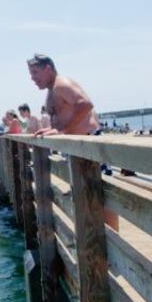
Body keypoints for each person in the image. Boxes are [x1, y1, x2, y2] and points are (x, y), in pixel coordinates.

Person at [27, 53, 118, 229]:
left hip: (89, 143)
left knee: (103, 196)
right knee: (87, 197)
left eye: (35, 72)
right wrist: (53, 129)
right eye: (31, 74)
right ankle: (100, 242)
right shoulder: (53, 88)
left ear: (48, 68)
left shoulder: (62, 84)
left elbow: (85, 104)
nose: (33, 78)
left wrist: (62, 130)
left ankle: (113, 239)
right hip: (78, 147)